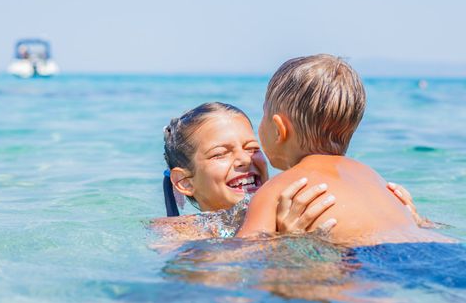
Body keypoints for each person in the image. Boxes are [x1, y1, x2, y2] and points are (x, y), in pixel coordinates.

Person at [237, 54, 450, 245]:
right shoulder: (373, 178)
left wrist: (282, 241)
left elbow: (241, 260)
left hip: (366, 261)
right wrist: (419, 223)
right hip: (435, 246)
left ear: (278, 129)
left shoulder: (278, 190)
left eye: (263, 113)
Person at [157, 102, 423, 241]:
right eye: (220, 153)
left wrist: (411, 222)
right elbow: (201, 287)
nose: (243, 159)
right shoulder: (179, 232)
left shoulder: (288, 206)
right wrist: (282, 242)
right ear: (184, 182)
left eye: (252, 147)